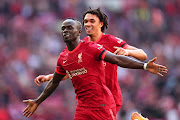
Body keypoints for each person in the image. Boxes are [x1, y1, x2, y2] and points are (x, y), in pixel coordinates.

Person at [23, 18, 167, 119]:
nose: (65, 31)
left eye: (69, 28)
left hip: (102, 105)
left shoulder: (91, 48)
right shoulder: (63, 57)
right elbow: (55, 81)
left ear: (79, 32)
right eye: (63, 29)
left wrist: (145, 65)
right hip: (83, 108)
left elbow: (117, 59)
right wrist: (37, 101)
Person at [34, 8, 148, 114]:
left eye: (92, 21)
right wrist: (50, 77)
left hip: (110, 98)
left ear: (101, 24)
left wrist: (128, 52)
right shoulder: (81, 45)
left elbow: (142, 55)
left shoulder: (111, 41)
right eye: (86, 21)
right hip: (91, 102)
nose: (88, 24)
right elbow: (76, 70)